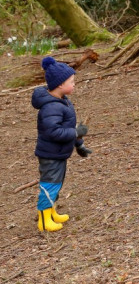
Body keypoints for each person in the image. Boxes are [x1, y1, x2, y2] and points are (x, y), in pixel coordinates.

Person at [32, 57, 92, 232]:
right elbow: (54, 132)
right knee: (49, 184)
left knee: (56, 184)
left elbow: (67, 127)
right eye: (71, 82)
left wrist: (79, 145)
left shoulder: (63, 101)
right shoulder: (51, 107)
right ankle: (44, 220)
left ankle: (51, 212)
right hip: (50, 155)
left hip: (58, 153)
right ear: (59, 85)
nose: (74, 84)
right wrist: (75, 133)